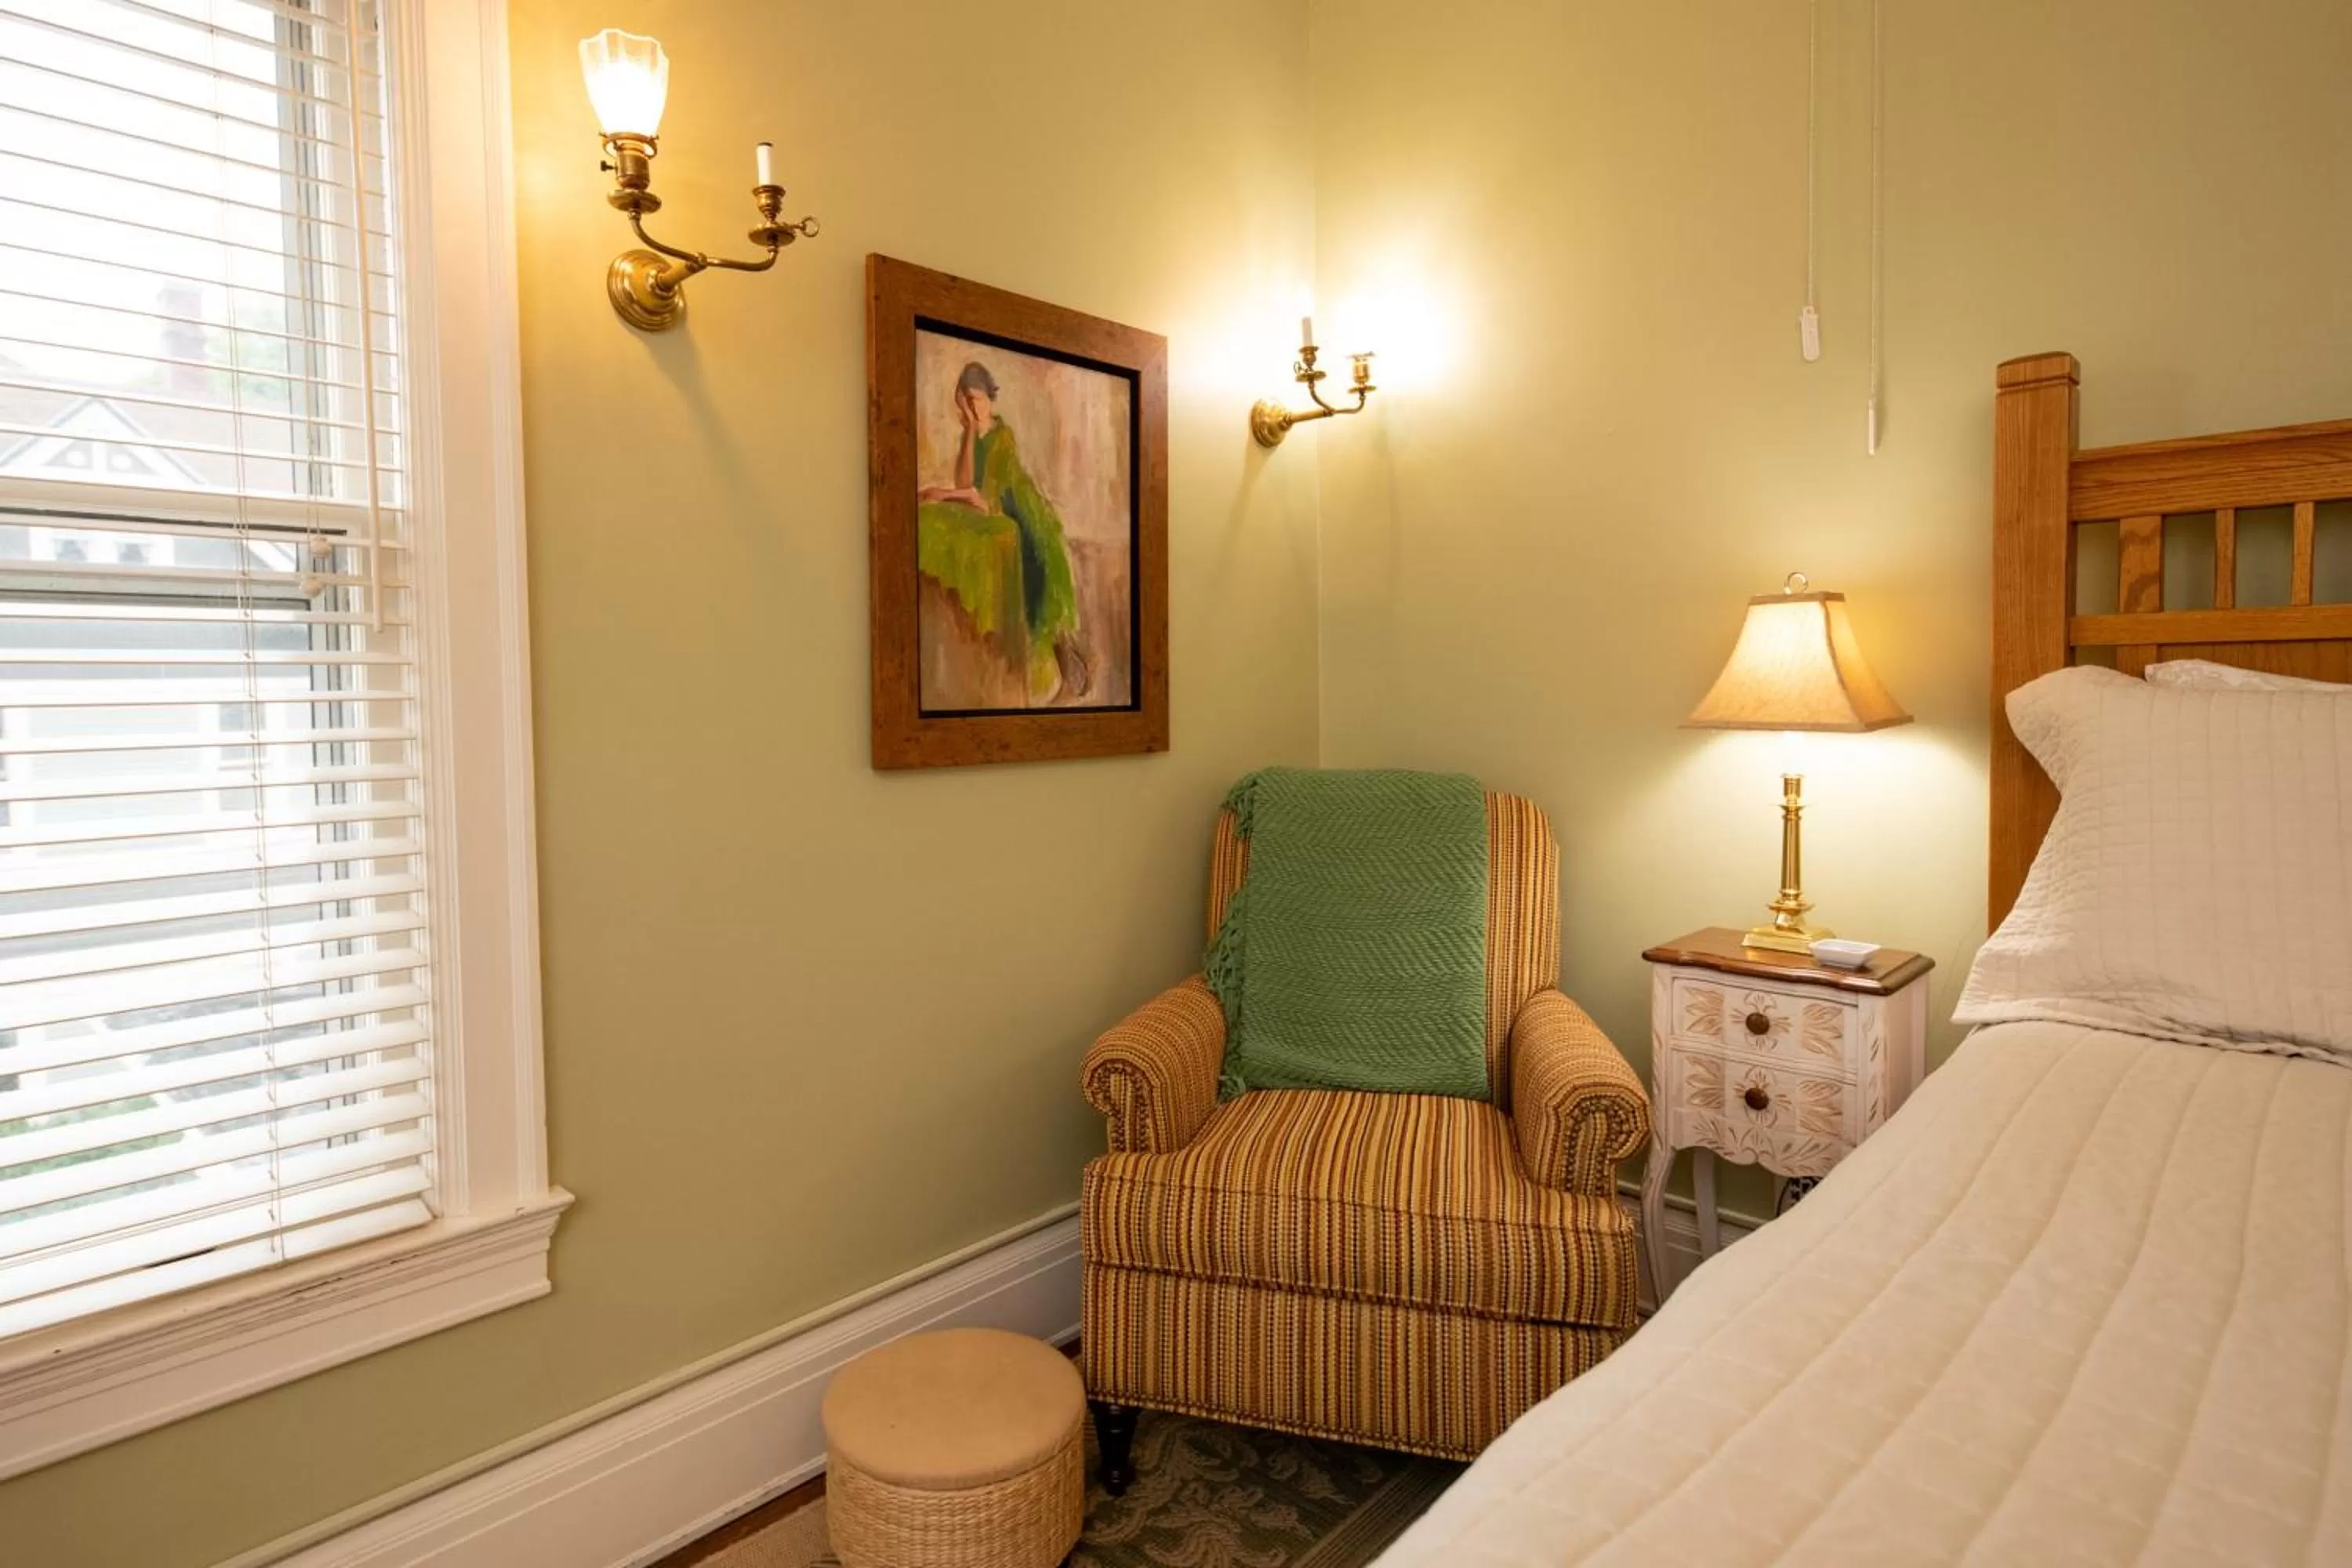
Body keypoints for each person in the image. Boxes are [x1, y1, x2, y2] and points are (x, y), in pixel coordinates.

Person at [919, 361, 1090, 701]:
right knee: (1031, 597)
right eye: (965, 401)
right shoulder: (975, 435)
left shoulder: (1003, 437)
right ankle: (1073, 672)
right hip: (1004, 514)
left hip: (1027, 516)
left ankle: (1072, 672)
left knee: (1039, 594)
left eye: (976, 400)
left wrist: (944, 494)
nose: (972, 407)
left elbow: (987, 500)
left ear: (989, 398)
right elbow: (966, 482)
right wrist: (968, 431)